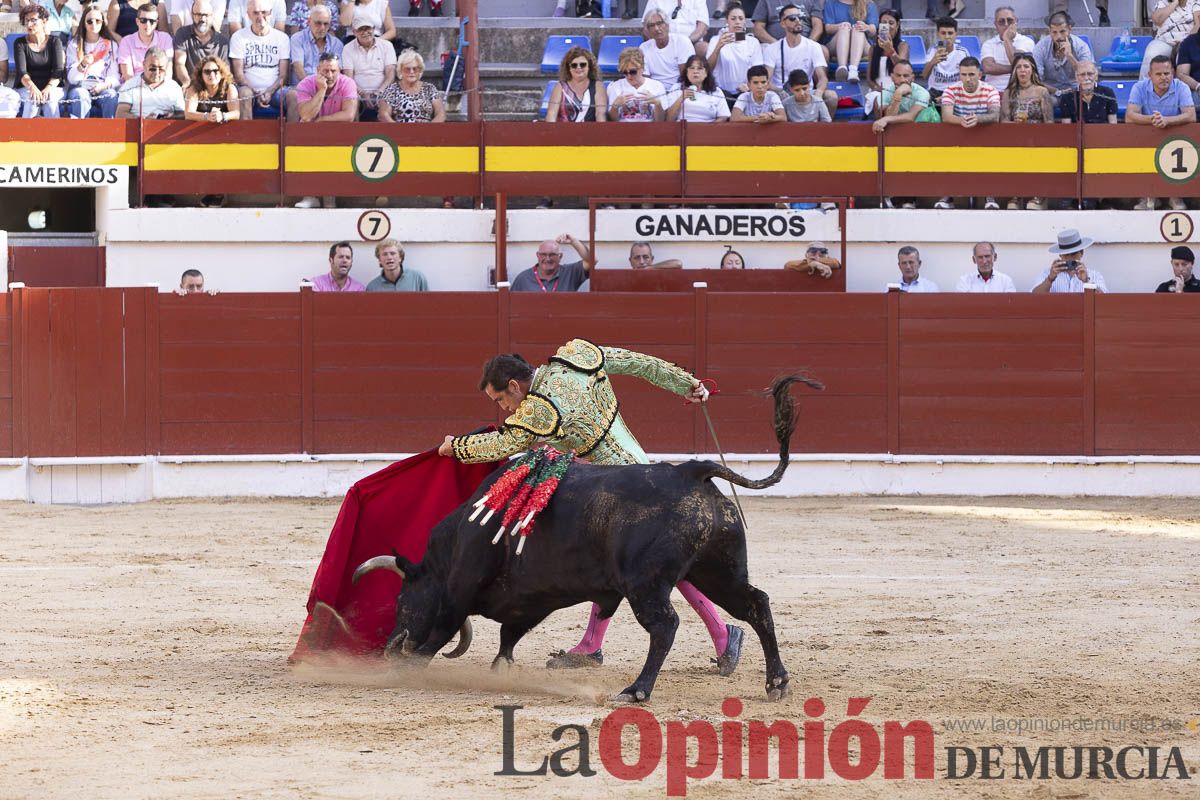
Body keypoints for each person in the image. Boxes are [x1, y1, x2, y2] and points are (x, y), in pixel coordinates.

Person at [436, 342, 745, 676]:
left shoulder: (539, 409)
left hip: (621, 493)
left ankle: (722, 634)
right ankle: (594, 645)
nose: (506, 409)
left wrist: (457, 447)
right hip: (640, 468)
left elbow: (504, 443)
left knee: (652, 566)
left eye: (501, 400)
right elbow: (640, 363)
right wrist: (687, 384)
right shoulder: (577, 357)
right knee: (616, 564)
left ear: (514, 385)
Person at [1128, 55, 1196, 211]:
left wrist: (1167, 121)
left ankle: (1175, 195)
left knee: (1180, 147)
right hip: (1146, 138)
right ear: (1149, 75)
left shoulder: (1182, 87)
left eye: (1167, 73)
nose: (1163, 77)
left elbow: (1191, 115)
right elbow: (1130, 116)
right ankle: (1148, 196)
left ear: (1172, 72)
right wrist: (1153, 119)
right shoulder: (1139, 87)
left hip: (1175, 138)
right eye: (1158, 74)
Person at [290, 52, 357, 209]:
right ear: (317, 70)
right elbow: (306, 115)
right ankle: (309, 195)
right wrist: (321, 90)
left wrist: (322, 120)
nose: (330, 75)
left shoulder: (348, 83)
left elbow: (349, 115)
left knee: (331, 147)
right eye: (325, 71)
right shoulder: (306, 84)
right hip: (309, 133)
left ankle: (329, 198)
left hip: (336, 131)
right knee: (305, 143)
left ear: (339, 70)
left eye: (333, 71)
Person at [936, 57, 1000, 211]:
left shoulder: (990, 90)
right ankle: (948, 195)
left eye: (971, 74)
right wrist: (962, 122)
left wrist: (977, 119)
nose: (967, 79)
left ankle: (989, 196)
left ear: (980, 74)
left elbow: (995, 116)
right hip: (958, 137)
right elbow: (946, 116)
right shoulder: (950, 90)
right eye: (963, 75)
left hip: (984, 137)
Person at [764, 3, 838, 119]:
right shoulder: (772, 49)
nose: (798, 21)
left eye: (801, 17)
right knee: (769, 98)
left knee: (831, 97)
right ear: (782, 23)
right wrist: (779, 91)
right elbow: (766, 81)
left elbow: (822, 77)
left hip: (806, 91)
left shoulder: (813, 46)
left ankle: (824, 132)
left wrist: (818, 93)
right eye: (793, 18)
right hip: (781, 94)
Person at [1000, 53, 1053, 211]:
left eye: (1026, 66)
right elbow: (1003, 120)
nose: (1022, 70)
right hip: (1014, 137)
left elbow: (1049, 121)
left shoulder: (1042, 91)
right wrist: (1015, 125)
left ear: (1032, 70)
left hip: (1038, 138)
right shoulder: (1008, 93)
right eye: (1019, 67)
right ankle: (1014, 196)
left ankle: (1038, 196)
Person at [229, 0, 289, 119]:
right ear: (248, 14)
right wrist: (256, 92)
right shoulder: (238, 37)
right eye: (255, 13)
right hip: (249, 89)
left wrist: (270, 92)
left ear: (271, 13)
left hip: (275, 90)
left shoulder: (282, 38)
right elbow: (239, 75)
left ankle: (294, 136)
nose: (260, 17)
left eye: (264, 12)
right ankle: (245, 136)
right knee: (244, 94)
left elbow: (283, 76)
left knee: (294, 96)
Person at [65, 6, 121, 118]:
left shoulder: (111, 45)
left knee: (111, 95)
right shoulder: (75, 45)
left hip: (102, 85)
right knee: (81, 95)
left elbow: (115, 76)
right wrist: (82, 64)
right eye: (89, 21)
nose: (94, 24)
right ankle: (80, 133)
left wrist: (103, 86)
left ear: (103, 22)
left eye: (98, 21)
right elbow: (71, 78)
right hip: (80, 86)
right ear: (84, 23)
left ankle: (110, 134)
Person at [340, 11, 395, 120]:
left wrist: (379, 91)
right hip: (357, 92)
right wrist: (363, 93)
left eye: (368, 28)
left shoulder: (387, 46)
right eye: (361, 29)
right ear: (354, 32)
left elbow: (390, 73)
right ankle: (353, 135)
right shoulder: (348, 48)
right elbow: (348, 77)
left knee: (386, 106)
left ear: (373, 29)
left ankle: (390, 136)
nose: (365, 32)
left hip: (383, 90)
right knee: (352, 101)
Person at [14, 4, 67, 118]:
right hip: (27, 87)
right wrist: (33, 88)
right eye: (26, 20)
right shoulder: (20, 43)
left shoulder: (55, 41)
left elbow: (58, 71)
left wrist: (48, 88)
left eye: (33, 20)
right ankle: (25, 135)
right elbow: (22, 72)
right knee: (32, 99)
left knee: (50, 99)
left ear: (44, 21)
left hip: (53, 86)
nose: (29, 24)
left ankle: (54, 135)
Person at [706, 2, 764, 102]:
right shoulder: (715, 40)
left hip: (746, 91)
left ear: (745, 21)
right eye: (733, 19)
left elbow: (757, 70)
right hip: (721, 93)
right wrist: (718, 47)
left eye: (740, 18)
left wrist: (748, 86)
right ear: (726, 21)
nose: (737, 22)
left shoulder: (753, 42)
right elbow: (708, 69)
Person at [1032, 11, 1093, 96]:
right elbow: (1036, 80)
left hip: (1077, 91)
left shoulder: (1081, 47)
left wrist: (1069, 56)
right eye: (1054, 32)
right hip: (1050, 91)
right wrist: (1056, 91)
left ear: (1069, 29)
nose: (1059, 37)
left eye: (1062, 31)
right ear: (1049, 31)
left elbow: (1088, 76)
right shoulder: (1041, 47)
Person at [172, 0, 228, 90]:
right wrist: (187, 82)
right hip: (192, 85)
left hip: (215, 86)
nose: (202, 19)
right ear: (192, 15)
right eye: (198, 14)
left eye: (206, 15)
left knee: (233, 91)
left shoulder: (222, 41)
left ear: (212, 16)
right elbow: (179, 63)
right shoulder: (182, 34)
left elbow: (225, 70)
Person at [510, 234, 595, 293]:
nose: (547, 259)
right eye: (543, 254)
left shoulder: (570, 273)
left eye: (552, 255)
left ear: (560, 256)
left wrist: (573, 241)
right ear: (538, 255)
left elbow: (591, 261)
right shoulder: (523, 278)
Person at [379, 49, 445, 123]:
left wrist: (429, 130)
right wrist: (398, 130)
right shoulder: (391, 90)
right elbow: (384, 115)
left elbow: (440, 114)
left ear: (420, 70)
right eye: (407, 69)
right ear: (400, 70)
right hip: (399, 131)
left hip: (427, 131)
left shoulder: (429, 88)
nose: (411, 72)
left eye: (415, 69)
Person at [115, 46, 183, 117]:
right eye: (152, 68)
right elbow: (120, 114)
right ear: (144, 64)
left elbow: (183, 114)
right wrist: (143, 120)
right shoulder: (130, 85)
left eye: (161, 69)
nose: (156, 73)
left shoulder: (174, 87)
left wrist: (169, 118)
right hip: (137, 126)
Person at [1032, 229, 1106, 293]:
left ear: (1081, 253)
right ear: (1060, 255)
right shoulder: (1047, 274)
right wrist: (1050, 279)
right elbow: (1033, 298)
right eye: (1066, 255)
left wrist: (1086, 281)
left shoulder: (1094, 275)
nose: (1070, 258)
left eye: (1073, 254)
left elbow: (1103, 300)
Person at [546, 45, 607, 123]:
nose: (578, 68)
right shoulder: (560, 87)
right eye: (574, 65)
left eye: (583, 65)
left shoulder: (597, 86)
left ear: (589, 66)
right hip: (564, 132)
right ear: (569, 68)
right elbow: (551, 114)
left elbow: (600, 114)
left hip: (590, 132)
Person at [1142, 0, 1200, 80]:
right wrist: (1175, 3)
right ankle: (1144, 89)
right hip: (1164, 41)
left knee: (1183, 58)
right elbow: (1157, 20)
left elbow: (1198, 25)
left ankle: (1180, 90)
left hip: (1187, 41)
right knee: (1151, 55)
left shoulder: (1195, 3)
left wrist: (1185, 42)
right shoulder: (1162, 3)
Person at [824, 0, 879, 83]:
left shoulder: (868, 3)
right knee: (844, 28)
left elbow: (873, 29)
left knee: (857, 29)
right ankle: (842, 68)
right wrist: (841, 26)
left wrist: (866, 27)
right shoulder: (830, 2)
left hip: (862, 46)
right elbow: (828, 28)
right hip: (836, 45)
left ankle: (853, 70)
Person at [980, 6, 1034, 92]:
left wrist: (1007, 39)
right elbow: (988, 68)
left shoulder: (1026, 41)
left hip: (1019, 91)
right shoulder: (988, 44)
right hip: (993, 92)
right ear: (996, 25)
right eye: (1001, 22)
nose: (1006, 24)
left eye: (1010, 20)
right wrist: (1015, 68)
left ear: (1016, 21)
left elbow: (1016, 61)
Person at [640, 8, 693, 92]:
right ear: (648, 30)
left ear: (667, 25)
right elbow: (645, 78)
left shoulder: (682, 42)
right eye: (651, 25)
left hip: (678, 89)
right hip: (654, 90)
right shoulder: (644, 47)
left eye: (659, 23)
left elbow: (686, 76)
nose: (656, 28)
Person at [607, 47, 667, 122]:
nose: (629, 76)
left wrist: (657, 104)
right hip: (623, 130)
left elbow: (661, 121)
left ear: (642, 68)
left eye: (633, 72)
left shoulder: (657, 86)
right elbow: (613, 121)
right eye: (625, 72)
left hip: (649, 130)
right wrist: (615, 106)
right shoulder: (615, 86)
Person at [665, 55, 731, 123]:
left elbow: (723, 117)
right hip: (682, 128)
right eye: (692, 68)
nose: (695, 71)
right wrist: (681, 98)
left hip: (708, 129)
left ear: (706, 73)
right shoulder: (677, 88)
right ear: (687, 72)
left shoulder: (716, 91)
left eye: (699, 68)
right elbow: (668, 119)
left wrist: (708, 128)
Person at [116, 2, 172, 80]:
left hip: (160, 85)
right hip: (134, 87)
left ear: (156, 23)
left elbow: (167, 72)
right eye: (143, 20)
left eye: (152, 21)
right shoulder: (126, 41)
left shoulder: (165, 39)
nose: (147, 24)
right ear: (137, 21)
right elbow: (128, 76)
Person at [289, 3, 341, 84]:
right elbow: (298, 69)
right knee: (292, 94)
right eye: (318, 23)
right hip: (303, 87)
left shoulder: (336, 44)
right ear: (309, 22)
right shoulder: (297, 38)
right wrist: (312, 88)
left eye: (326, 24)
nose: (322, 28)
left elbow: (337, 72)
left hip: (328, 87)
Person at [754, 0, 827, 57]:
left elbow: (818, 26)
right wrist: (778, 44)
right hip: (774, 44)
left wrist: (806, 45)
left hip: (805, 43)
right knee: (764, 50)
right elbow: (758, 28)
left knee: (823, 51)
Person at [922, 16, 968, 100]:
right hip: (934, 90)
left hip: (955, 91)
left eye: (950, 33)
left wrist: (946, 96)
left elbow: (967, 78)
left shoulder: (962, 52)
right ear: (938, 34)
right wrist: (932, 62)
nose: (947, 37)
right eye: (943, 33)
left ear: (956, 34)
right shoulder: (932, 50)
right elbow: (924, 76)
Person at [644, 0, 710, 56]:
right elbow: (646, 28)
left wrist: (684, 43)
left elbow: (702, 29)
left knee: (703, 48)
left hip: (692, 42)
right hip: (664, 43)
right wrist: (666, 43)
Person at [865, 7, 908, 92]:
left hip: (897, 91)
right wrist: (878, 89)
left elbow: (903, 68)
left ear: (897, 25)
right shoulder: (873, 49)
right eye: (884, 23)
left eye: (891, 23)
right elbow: (869, 79)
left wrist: (891, 51)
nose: (887, 26)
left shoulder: (902, 46)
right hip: (877, 92)